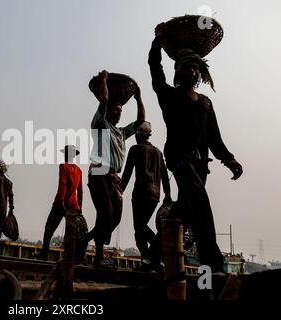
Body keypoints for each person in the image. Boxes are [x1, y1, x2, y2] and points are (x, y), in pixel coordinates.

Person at [148, 28, 243, 272]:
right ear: (178, 71)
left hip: (201, 164)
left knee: (185, 212)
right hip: (178, 158)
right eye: (186, 67)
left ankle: (154, 253)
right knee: (200, 202)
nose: (191, 71)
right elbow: (155, 71)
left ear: (199, 72)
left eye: (195, 68)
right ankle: (212, 264)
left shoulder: (205, 103)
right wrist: (157, 43)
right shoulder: (168, 95)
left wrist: (229, 159)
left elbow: (214, 137)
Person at [80, 70, 145, 268]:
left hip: (113, 177)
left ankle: (85, 240)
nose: (118, 112)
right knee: (106, 212)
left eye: (120, 110)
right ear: (107, 111)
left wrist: (139, 97)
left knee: (114, 216)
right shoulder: (100, 124)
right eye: (115, 110)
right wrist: (104, 81)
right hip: (98, 171)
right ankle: (99, 257)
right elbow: (103, 100)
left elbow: (141, 121)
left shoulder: (122, 132)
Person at [121, 121, 171, 271]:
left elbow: (127, 173)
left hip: (141, 193)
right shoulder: (158, 152)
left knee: (139, 227)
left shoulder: (135, 149)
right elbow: (164, 175)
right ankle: (150, 261)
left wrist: (119, 191)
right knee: (140, 228)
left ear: (138, 135)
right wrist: (167, 195)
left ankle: (151, 256)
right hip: (155, 196)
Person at [36, 145, 83, 261]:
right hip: (74, 205)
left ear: (67, 154)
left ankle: (44, 254)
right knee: (70, 234)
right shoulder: (79, 170)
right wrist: (80, 207)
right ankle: (70, 258)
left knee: (49, 229)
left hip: (60, 204)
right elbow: (80, 191)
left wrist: (61, 202)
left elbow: (63, 185)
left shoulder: (63, 166)